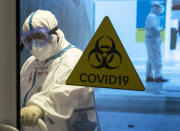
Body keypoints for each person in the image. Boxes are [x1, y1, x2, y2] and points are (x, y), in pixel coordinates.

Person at [20, 10, 99, 131]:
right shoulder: (30, 63)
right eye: (29, 40)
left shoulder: (76, 58)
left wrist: (39, 107)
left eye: (39, 37)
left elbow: (69, 91)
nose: (34, 44)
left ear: (55, 33)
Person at [145, 1, 168, 82]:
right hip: (153, 40)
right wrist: (160, 29)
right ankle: (158, 76)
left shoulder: (152, 16)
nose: (159, 10)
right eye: (158, 8)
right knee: (157, 58)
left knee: (151, 58)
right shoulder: (151, 16)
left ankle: (149, 76)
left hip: (152, 39)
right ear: (155, 8)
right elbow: (154, 27)